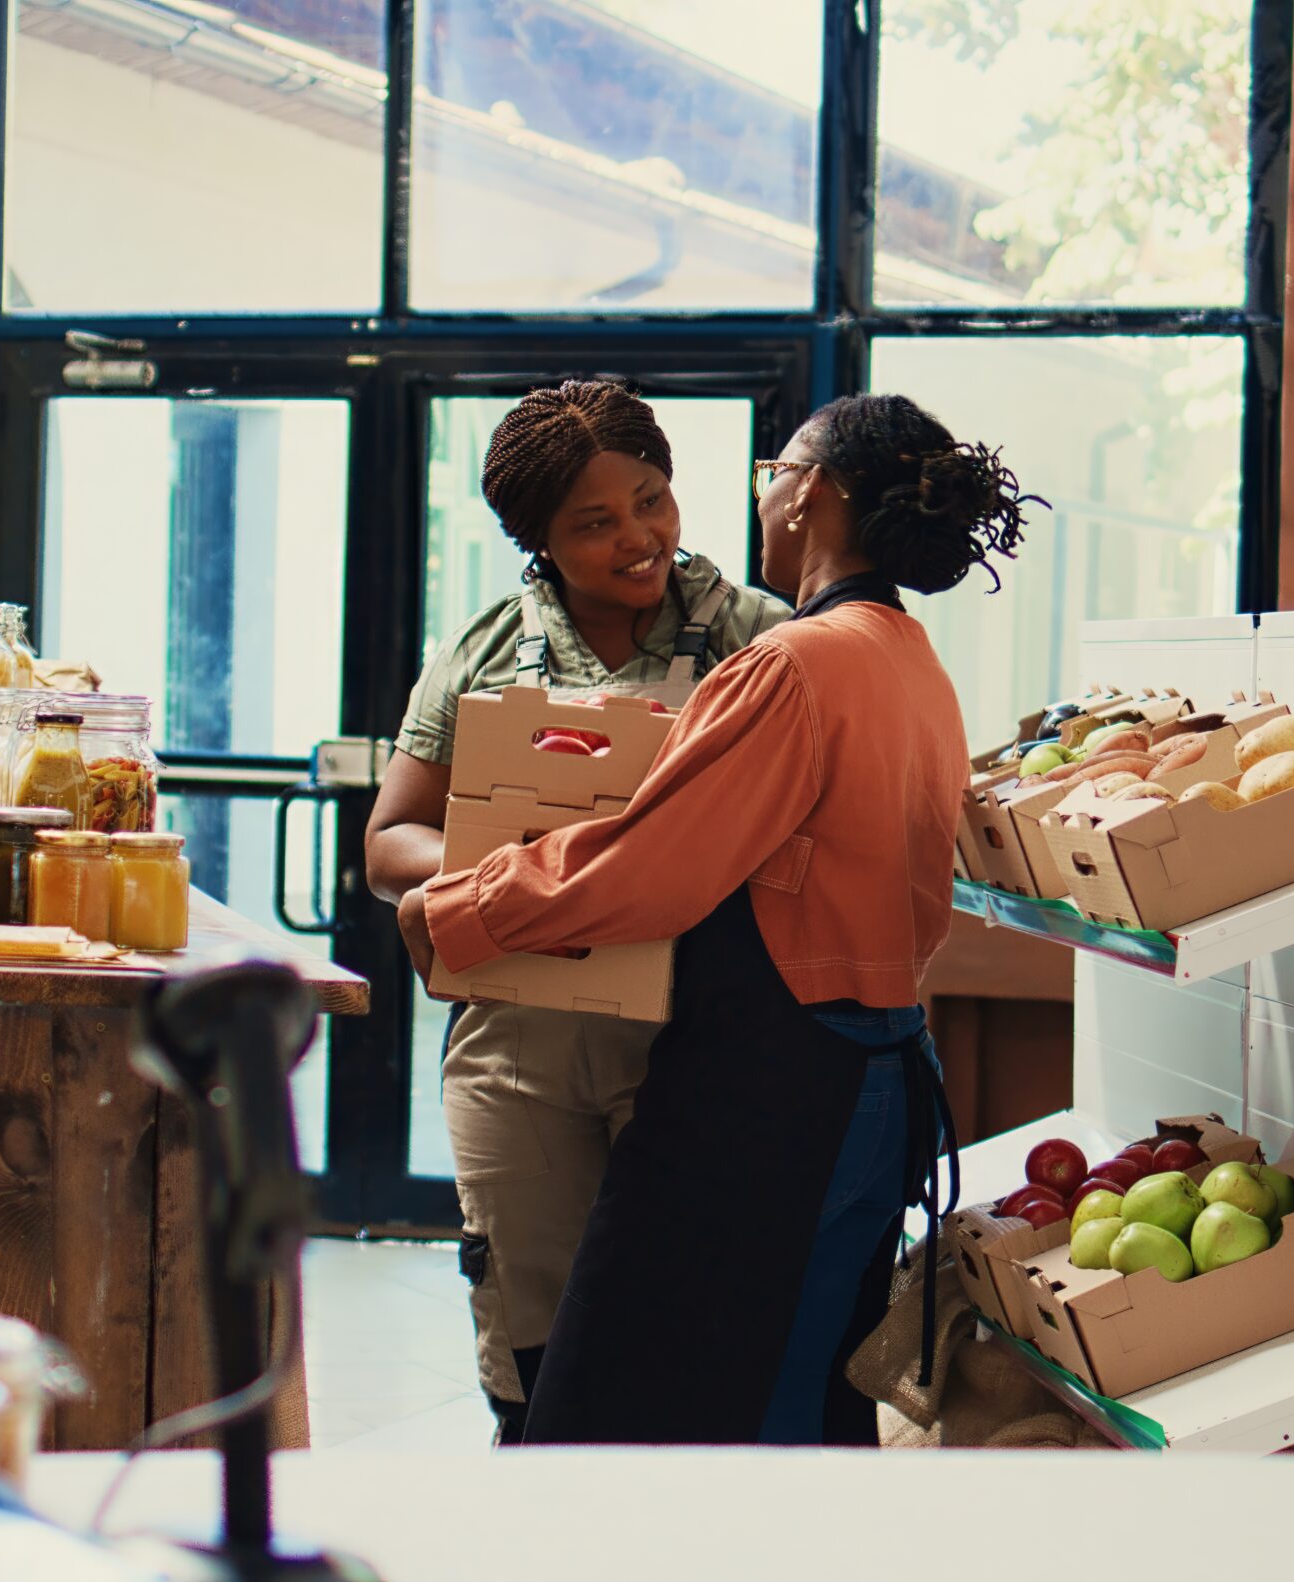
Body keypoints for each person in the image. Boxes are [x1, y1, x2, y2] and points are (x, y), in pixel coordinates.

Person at [399, 392, 1039, 1444]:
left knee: (622, 1419)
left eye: (773, 470)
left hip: (777, 1094)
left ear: (811, 492)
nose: (762, 493)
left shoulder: (789, 661)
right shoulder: (907, 657)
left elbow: (655, 866)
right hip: (876, 1075)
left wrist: (463, 906)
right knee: (797, 1399)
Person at [364, 379, 787, 1444]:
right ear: (539, 540)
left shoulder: (760, 641)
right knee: (535, 1344)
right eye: (594, 524)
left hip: (698, 1042)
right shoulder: (485, 651)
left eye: (651, 499)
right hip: (520, 1052)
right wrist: (529, 867)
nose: (638, 538)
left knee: (680, 1338)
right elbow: (388, 844)